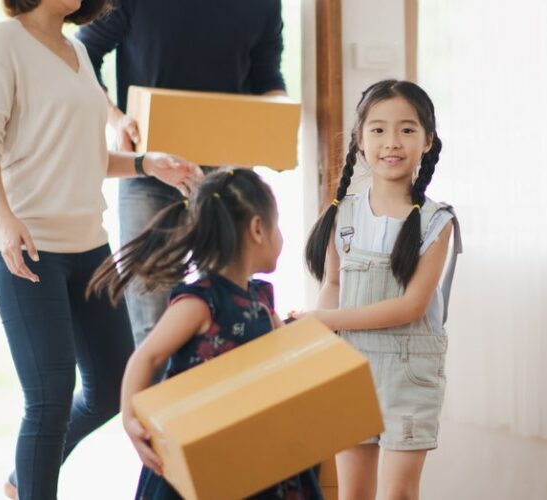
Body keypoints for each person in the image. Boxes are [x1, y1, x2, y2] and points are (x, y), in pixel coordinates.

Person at [0, 0, 203, 497]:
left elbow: (84, 154)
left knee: (114, 384)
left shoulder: (78, 53)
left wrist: (143, 163)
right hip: (26, 243)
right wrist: (5, 219)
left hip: (88, 242)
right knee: (48, 397)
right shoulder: (4, 42)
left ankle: (19, 481)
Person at [90, 168, 321, 499]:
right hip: (199, 453)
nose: (281, 236)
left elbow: (285, 359)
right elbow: (147, 355)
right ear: (258, 228)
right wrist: (130, 418)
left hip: (250, 449)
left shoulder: (261, 301)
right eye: (277, 225)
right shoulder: (200, 303)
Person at [76, 0, 288, 348]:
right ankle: (152, 403)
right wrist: (116, 118)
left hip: (227, 179)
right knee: (151, 318)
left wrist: (276, 131)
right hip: (151, 172)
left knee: (230, 314)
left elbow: (267, 75)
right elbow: (84, 54)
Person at [298, 79, 460, 500]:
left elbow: (410, 306)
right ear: (359, 139)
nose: (392, 142)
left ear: (428, 141)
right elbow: (333, 284)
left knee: (399, 495)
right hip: (350, 368)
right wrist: (320, 338)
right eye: (378, 129)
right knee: (352, 495)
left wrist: (326, 320)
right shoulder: (342, 213)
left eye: (407, 130)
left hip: (410, 374)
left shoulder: (437, 223)